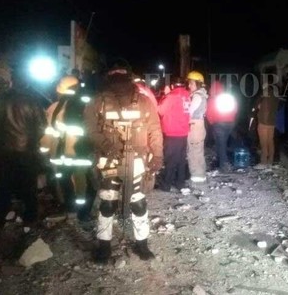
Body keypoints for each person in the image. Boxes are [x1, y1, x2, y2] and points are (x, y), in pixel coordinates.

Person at [84, 60, 163, 262]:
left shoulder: (141, 101)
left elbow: (154, 130)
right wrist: (109, 147)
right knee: (112, 202)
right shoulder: (99, 102)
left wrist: (157, 155)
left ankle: (137, 244)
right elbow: (90, 130)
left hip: (132, 159)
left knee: (131, 202)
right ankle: (108, 246)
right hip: (112, 159)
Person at [0, 70, 47, 232]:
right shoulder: (33, 100)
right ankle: (30, 217)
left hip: (5, 149)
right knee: (29, 186)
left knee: (4, 186)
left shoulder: (1, 99)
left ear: (12, 81)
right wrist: (32, 140)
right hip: (27, 150)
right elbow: (42, 126)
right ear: (27, 82)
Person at [41, 75, 93, 220]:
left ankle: (70, 207)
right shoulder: (88, 105)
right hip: (83, 153)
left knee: (64, 180)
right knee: (84, 183)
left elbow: (48, 132)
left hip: (63, 154)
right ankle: (84, 213)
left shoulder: (55, 108)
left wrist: (44, 151)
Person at [157, 75, 190, 190]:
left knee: (170, 159)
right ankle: (180, 182)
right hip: (184, 131)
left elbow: (161, 111)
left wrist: (166, 95)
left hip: (173, 132)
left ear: (172, 86)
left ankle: (166, 184)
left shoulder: (172, 96)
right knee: (181, 159)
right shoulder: (187, 95)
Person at [206, 79, 238, 173]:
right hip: (230, 123)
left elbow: (209, 113)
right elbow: (235, 109)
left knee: (221, 145)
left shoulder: (213, 99)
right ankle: (220, 161)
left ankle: (224, 165)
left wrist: (212, 122)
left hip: (219, 124)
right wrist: (231, 118)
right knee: (221, 143)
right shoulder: (228, 97)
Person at [186, 71, 208, 184]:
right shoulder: (201, 95)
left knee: (194, 152)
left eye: (191, 83)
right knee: (198, 151)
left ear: (198, 84)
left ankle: (197, 176)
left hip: (195, 126)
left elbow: (189, 112)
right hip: (198, 125)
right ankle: (200, 174)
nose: (189, 85)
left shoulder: (197, 96)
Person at [255, 83, 279, 168]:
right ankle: (270, 161)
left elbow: (265, 110)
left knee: (263, 143)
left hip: (264, 123)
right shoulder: (275, 96)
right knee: (270, 142)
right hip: (272, 123)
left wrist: (262, 118)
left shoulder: (266, 96)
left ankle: (263, 162)